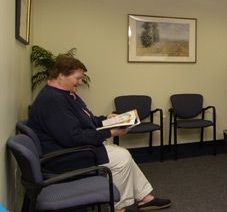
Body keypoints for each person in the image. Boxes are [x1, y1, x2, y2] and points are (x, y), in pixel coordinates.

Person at [28, 55, 171, 212]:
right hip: (65, 156)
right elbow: (74, 138)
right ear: (61, 75)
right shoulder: (53, 101)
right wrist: (111, 132)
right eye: (78, 78)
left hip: (71, 148)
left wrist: (107, 120)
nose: (80, 82)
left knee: (123, 155)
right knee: (122, 157)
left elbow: (87, 120)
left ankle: (145, 198)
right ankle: (118, 207)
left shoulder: (64, 94)